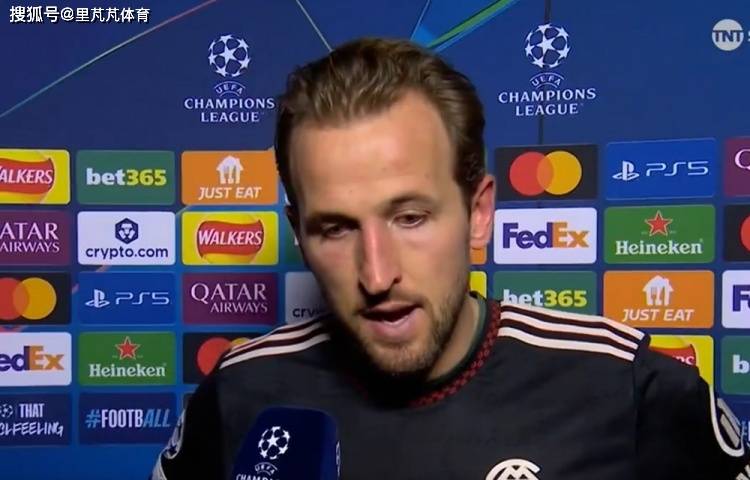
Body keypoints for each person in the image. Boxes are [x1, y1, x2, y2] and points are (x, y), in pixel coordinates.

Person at [152, 38, 750, 480]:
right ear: (300, 236)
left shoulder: (628, 388)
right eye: (335, 228)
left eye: (410, 218)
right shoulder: (239, 393)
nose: (377, 274)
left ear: (478, 212)